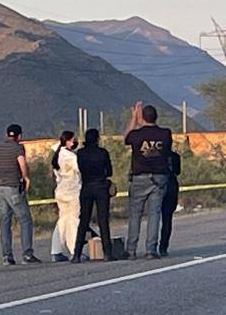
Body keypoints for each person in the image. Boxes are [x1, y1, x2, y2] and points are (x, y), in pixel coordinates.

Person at [123, 102, 172, 259]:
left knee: (135, 214)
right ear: (156, 117)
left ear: (142, 117)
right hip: (159, 178)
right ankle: (151, 249)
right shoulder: (165, 134)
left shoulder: (136, 135)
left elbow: (126, 138)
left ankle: (131, 250)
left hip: (139, 178)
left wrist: (133, 119)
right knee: (154, 214)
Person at [0, 124, 41, 265]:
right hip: (13, 187)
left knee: (5, 222)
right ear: (20, 136)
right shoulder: (18, 148)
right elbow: (22, 164)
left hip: (0, 187)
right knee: (25, 219)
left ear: (7, 134)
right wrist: (26, 178)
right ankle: (27, 254)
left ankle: (7, 256)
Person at [71, 129, 115, 263]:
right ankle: (107, 253)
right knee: (103, 220)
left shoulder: (80, 153)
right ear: (97, 139)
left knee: (84, 220)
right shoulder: (103, 153)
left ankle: (76, 254)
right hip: (101, 186)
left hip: (86, 186)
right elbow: (109, 171)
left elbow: (80, 169)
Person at [50, 131, 81, 262]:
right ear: (68, 141)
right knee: (73, 220)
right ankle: (74, 250)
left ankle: (56, 250)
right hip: (72, 191)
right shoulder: (70, 156)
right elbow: (80, 169)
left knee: (62, 220)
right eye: (73, 140)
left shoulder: (57, 155)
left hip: (60, 190)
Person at [159, 149, 181, 257]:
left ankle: (151, 247)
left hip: (158, 186)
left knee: (154, 217)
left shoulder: (156, 156)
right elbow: (177, 171)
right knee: (167, 219)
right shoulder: (175, 156)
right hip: (171, 186)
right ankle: (163, 246)